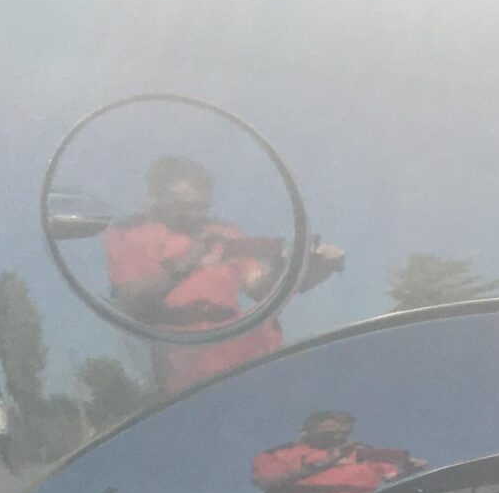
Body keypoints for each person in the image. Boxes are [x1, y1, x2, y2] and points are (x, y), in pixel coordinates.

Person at [103, 155, 342, 396]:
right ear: (157, 197)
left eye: (201, 206)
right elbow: (129, 301)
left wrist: (311, 269)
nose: (195, 215)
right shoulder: (130, 234)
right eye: (184, 207)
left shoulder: (222, 233)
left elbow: (260, 287)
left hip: (263, 365)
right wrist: (187, 262)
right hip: (194, 384)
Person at [250, 410, 422, 493]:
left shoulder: (360, 452)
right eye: (330, 434)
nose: (338, 437)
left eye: (344, 433)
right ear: (305, 431)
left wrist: (409, 470)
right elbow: (264, 481)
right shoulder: (279, 453)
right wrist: (324, 463)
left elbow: (391, 477)